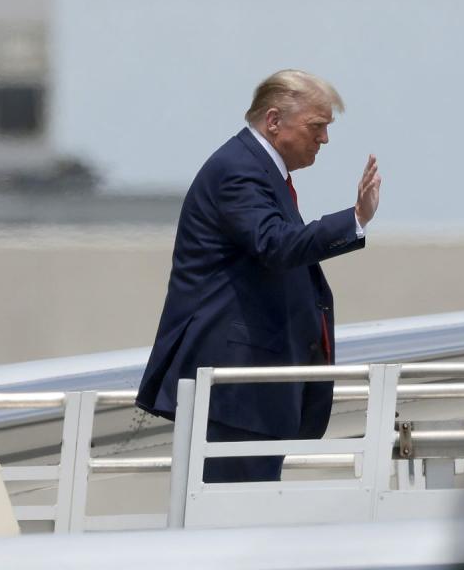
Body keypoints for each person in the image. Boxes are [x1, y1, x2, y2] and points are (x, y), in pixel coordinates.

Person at [135, 69, 381, 482]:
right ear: (273, 121)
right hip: (236, 391)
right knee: (230, 527)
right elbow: (275, 245)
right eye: (316, 127)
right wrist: (353, 220)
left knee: (243, 521)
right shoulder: (238, 169)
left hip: (252, 394)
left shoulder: (261, 171)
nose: (324, 139)